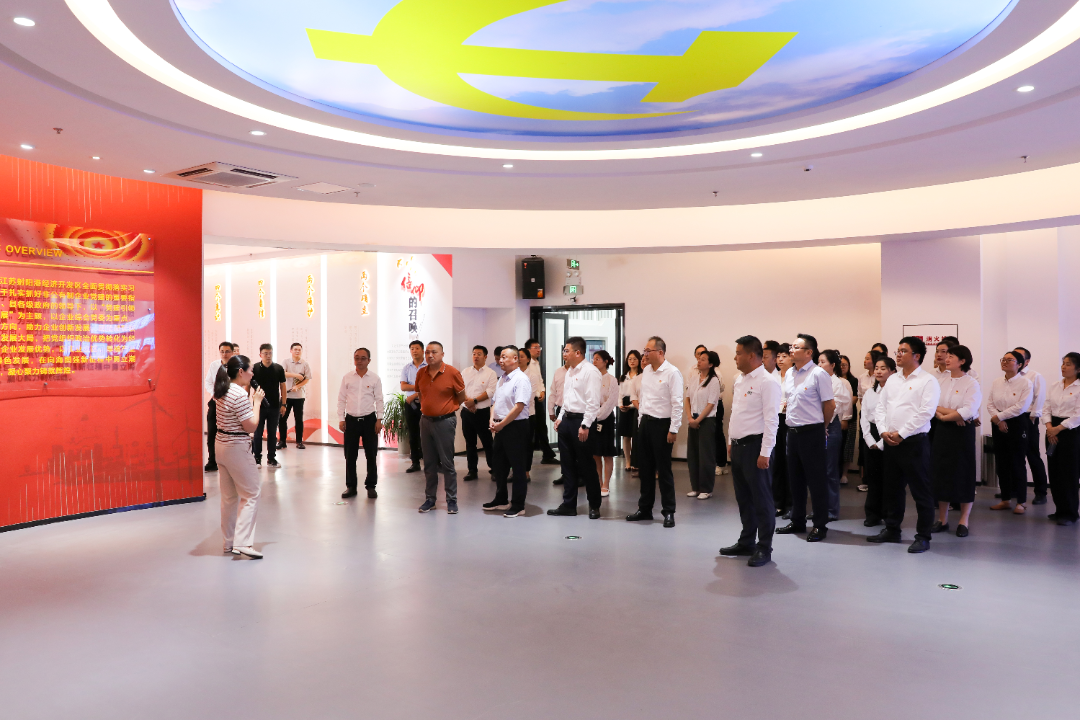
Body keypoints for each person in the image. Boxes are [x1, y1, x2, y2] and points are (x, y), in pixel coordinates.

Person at [868, 337, 940, 553]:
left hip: (914, 442)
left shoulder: (927, 381)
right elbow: (881, 408)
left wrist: (902, 433)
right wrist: (883, 431)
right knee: (892, 488)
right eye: (897, 350)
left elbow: (926, 412)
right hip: (890, 441)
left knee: (921, 491)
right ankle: (892, 529)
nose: (898, 354)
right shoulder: (893, 379)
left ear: (916, 356)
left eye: (903, 351)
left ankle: (923, 536)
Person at [720, 336, 782, 567]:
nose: (735, 357)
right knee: (744, 498)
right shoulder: (739, 380)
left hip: (756, 447)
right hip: (739, 447)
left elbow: (772, 420)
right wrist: (731, 440)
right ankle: (747, 541)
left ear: (751, 355)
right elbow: (736, 414)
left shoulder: (768, 382)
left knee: (762, 500)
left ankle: (764, 547)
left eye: (738, 353)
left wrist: (765, 452)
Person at [778, 334, 835, 542]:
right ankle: (798, 520)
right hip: (792, 432)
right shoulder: (790, 373)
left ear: (809, 352)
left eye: (796, 347)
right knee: (796, 480)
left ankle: (820, 525)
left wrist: (823, 427)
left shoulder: (818, 374)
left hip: (812, 432)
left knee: (816, 481)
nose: (791, 350)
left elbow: (829, 405)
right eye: (791, 346)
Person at [627, 336, 683, 528]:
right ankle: (645, 509)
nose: (644, 354)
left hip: (663, 425)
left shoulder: (672, 373)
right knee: (645, 469)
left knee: (664, 470)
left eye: (647, 350)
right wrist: (640, 423)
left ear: (660, 352)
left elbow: (677, 403)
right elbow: (644, 400)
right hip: (645, 423)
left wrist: (673, 428)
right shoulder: (647, 371)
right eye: (644, 350)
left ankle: (669, 511)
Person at [212, 354, 264, 558]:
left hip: (221, 446)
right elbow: (250, 426)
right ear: (241, 372)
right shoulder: (240, 394)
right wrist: (256, 402)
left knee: (229, 498)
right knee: (252, 494)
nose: (252, 374)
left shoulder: (222, 390)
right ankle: (243, 543)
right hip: (236, 448)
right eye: (251, 370)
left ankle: (229, 542)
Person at [547, 337, 603, 518]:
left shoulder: (590, 372)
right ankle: (569, 505)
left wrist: (585, 425)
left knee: (586, 465)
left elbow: (593, 402)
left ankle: (594, 505)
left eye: (566, 350)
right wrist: (560, 418)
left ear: (578, 353)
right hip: (567, 420)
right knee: (567, 465)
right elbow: (567, 399)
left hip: (582, 421)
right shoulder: (569, 372)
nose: (564, 353)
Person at [931, 345, 981, 537]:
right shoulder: (941, 381)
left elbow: (969, 410)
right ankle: (942, 520)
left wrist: (948, 415)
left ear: (962, 361)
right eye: (947, 355)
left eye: (951, 356)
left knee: (963, 473)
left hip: (962, 433)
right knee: (942, 472)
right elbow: (933, 405)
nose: (947, 358)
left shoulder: (971, 383)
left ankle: (963, 521)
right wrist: (953, 415)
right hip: (943, 430)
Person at [416, 341, 467, 514]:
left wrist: (446, 408)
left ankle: (451, 500)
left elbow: (461, 396)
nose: (430, 355)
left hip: (445, 422)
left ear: (442, 354)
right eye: (427, 352)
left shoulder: (452, 372)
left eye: (434, 352)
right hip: (425, 421)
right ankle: (430, 499)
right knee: (429, 463)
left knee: (447, 463)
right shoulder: (421, 373)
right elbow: (420, 393)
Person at [483, 346, 533, 517]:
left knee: (517, 468)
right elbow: (495, 402)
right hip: (501, 426)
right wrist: (492, 419)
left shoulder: (521, 379)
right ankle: (501, 499)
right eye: (500, 357)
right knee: (499, 465)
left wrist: (502, 424)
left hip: (515, 427)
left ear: (515, 359)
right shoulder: (502, 378)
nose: (500, 360)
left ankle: (518, 505)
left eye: (504, 357)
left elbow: (519, 407)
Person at [987, 350, 1034, 514]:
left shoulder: (1025, 383)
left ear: (1019, 365)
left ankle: (1021, 502)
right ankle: (1005, 499)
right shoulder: (997, 382)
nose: (1005, 362)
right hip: (998, 423)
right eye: (1003, 359)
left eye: (1009, 360)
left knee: (1017, 463)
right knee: (1001, 463)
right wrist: (998, 420)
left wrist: (999, 417)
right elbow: (990, 403)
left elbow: (1021, 407)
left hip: (1017, 423)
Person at [337, 347, 384, 499]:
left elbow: (379, 400)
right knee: (350, 456)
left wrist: (379, 419)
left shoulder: (375, 378)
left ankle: (371, 486)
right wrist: (341, 418)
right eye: (357, 357)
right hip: (351, 421)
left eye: (363, 358)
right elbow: (341, 399)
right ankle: (351, 486)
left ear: (369, 360)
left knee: (371, 455)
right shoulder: (347, 377)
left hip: (369, 420)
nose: (359, 360)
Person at [1044, 352, 1080, 526]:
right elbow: (1046, 408)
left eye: (1068, 364)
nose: (1063, 367)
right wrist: (1049, 427)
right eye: (1063, 363)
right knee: (1055, 471)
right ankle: (1059, 510)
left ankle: (1070, 513)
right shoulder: (1055, 386)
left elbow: (1078, 415)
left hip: (1070, 432)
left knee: (1068, 473)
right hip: (1052, 429)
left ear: (1078, 369)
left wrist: (1057, 429)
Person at [818, 349, 852, 521]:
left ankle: (831, 509)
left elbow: (832, 408)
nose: (819, 365)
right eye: (818, 362)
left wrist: (823, 425)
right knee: (818, 471)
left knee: (830, 470)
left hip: (829, 427)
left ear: (832, 365)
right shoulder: (817, 380)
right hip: (817, 426)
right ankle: (820, 508)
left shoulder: (837, 383)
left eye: (823, 362)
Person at [861, 354, 895, 526]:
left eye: (883, 368)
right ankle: (872, 514)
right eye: (877, 368)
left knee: (889, 478)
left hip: (889, 435)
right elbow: (864, 417)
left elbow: (893, 418)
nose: (879, 371)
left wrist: (882, 442)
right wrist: (869, 439)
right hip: (871, 435)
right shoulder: (870, 392)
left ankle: (889, 515)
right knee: (872, 478)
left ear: (892, 371)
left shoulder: (895, 393)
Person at [685, 350, 721, 499]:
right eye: (699, 359)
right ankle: (696, 487)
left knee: (706, 455)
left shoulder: (714, 381)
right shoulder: (694, 378)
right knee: (693, 454)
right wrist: (690, 418)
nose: (699, 361)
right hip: (693, 419)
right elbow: (687, 399)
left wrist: (697, 420)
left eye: (703, 359)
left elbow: (711, 404)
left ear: (710, 364)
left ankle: (706, 489)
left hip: (706, 420)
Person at [1015, 346, 1049, 505]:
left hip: (1028, 418)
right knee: (1015, 455)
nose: (1015, 358)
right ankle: (1015, 490)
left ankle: (1041, 492)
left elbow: (1040, 397)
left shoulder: (1035, 376)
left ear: (1027, 361)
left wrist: (1034, 416)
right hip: (1013, 417)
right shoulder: (1011, 375)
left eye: (1019, 356)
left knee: (1032, 455)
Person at [461, 345, 498, 481]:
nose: (476, 356)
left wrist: (474, 401)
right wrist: (468, 403)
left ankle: (494, 469)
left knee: (487, 442)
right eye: (474, 354)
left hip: (482, 413)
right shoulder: (465, 371)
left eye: (479, 354)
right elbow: (460, 389)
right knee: (470, 443)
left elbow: (490, 392)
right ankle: (472, 470)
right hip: (467, 412)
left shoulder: (490, 373)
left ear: (485, 356)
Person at [251, 344, 286, 469]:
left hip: (274, 406)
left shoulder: (278, 368)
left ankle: (271, 458)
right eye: (265, 353)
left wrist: (283, 404)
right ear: (260, 354)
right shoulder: (254, 368)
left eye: (270, 353)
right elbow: (248, 385)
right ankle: (257, 458)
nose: (268, 355)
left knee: (272, 433)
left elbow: (283, 387)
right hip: (259, 406)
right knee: (257, 433)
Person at [525, 339, 559, 466]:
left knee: (541, 427)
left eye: (539, 347)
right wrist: (537, 394)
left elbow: (539, 380)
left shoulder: (536, 363)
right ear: (528, 349)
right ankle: (545, 454)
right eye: (535, 347)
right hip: (530, 399)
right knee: (534, 428)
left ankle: (547, 454)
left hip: (538, 398)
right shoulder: (526, 364)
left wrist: (543, 391)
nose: (538, 350)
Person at [204, 341, 234, 471]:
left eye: (227, 351)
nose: (224, 354)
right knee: (212, 432)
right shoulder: (214, 365)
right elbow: (208, 382)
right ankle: (212, 461)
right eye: (222, 351)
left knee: (229, 434)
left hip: (230, 404)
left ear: (232, 352)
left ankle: (229, 461)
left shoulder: (237, 366)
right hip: (215, 402)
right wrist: (215, 394)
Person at [592, 350, 619, 497]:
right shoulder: (591, 379)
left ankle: (606, 484)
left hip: (606, 418)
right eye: (593, 359)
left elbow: (611, 402)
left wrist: (599, 415)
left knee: (607, 454)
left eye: (597, 359)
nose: (594, 361)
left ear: (605, 361)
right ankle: (598, 482)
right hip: (592, 417)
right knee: (595, 454)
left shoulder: (611, 380)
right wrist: (593, 414)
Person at [400, 340, 427, 474]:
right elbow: (403, 386)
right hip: (410, 404)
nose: (414, 351)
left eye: (417, 348)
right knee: (413, 433)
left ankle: (432, 463)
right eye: (412, 348)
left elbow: (429, 386)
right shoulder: (406, 368)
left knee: (428, 434)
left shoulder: (428, 366)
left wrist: (415, 393)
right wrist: (419, 388)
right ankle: (415, 463)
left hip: (426, 403)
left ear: (422, 350)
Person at [773, 343, 793, 518]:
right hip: (775, 420)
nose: (780, 359)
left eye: (784, 356)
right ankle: (778, 502)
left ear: (792, 357)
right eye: (778, 356)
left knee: (790, 463)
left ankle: (791, 503)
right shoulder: (772, 376)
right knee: (777, 462)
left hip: (791, 421)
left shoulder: (796, 376)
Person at [280, 342, 311, 449]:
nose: (297, 351)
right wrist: (296, 375)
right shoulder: (286, 362)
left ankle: (299, 442)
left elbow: (307, 379)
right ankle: (282, 441)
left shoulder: (305, 364)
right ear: (291, 350)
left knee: (299, 420)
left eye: (299, 349)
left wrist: (298, 386)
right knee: (282, 419)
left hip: (299, 396)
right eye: (295, 349)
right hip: (286, 396)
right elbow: (283, 373)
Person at [855, 350, 877, 491]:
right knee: (865, 446)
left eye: (867, 358)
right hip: (865, 414)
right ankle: (866, 480)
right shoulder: (862, 377)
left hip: (878, 417)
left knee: (876, 446)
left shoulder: (881, 377)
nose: (865, 361)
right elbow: (861, 397)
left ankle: (876, 481)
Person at [548, 349, 570, 486]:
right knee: (563, 447)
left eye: (568, 351)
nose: (565, 354)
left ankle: (579, 474)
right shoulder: (558, 371)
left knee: (576, 446)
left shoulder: (581, 372)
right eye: (564, 352)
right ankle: (565, 474)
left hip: (576, 412)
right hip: (561, 410)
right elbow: (553, 392)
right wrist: (551, 410)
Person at [619, 349, 643, 472]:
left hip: (637, 405)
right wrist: (620, 405)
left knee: (636, 436)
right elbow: (619, 393)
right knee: (626, 436)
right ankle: (628, 461)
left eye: (634, 359)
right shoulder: (623, 376)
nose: (632, 361)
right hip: (624, 405)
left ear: (639, 360)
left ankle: (636, 462)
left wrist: (632, 406)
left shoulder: (642, 376)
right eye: (629, 359)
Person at [839, 354, 859, 476]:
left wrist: (843, 405)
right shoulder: (831, 379)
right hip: (835, 416)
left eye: (844, 365)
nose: (842, 367)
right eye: (840, 365)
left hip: (849, 417)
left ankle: (845, 474)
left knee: (848, 445)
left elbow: (855, 398)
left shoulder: (853, 380)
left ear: (849, 366)